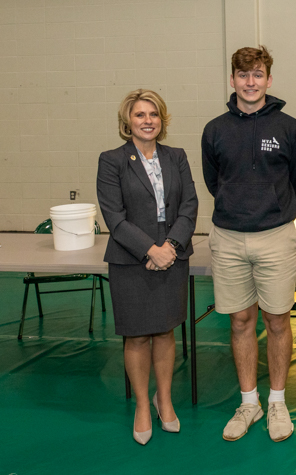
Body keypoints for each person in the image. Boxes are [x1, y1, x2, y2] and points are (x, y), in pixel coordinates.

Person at [201, 45, 296, 442]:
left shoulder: (289, 127)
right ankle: (249, 402)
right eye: (243, 75)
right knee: (240, 321)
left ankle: (277, 401)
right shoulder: (215, 129)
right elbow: (215, 182)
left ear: (269, 79)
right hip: (228, 237)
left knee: (278, 320)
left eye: (258, 74)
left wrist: (276, 214)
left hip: (275, 237)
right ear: (232, 80)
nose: (251, 82)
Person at [96, 89, 198, 445]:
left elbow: (189, 204)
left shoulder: (177, 157)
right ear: (127, 122)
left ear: (162, 119)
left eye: (153, 114)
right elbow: (114, 217)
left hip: (172, 254)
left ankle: (164, 399)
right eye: (140, 115)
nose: (147, 120)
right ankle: (142, 404)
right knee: (138, 335)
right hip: (131, 258)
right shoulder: (112, 161)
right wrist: (150, 251)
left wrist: (170, 247)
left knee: (166, 331)